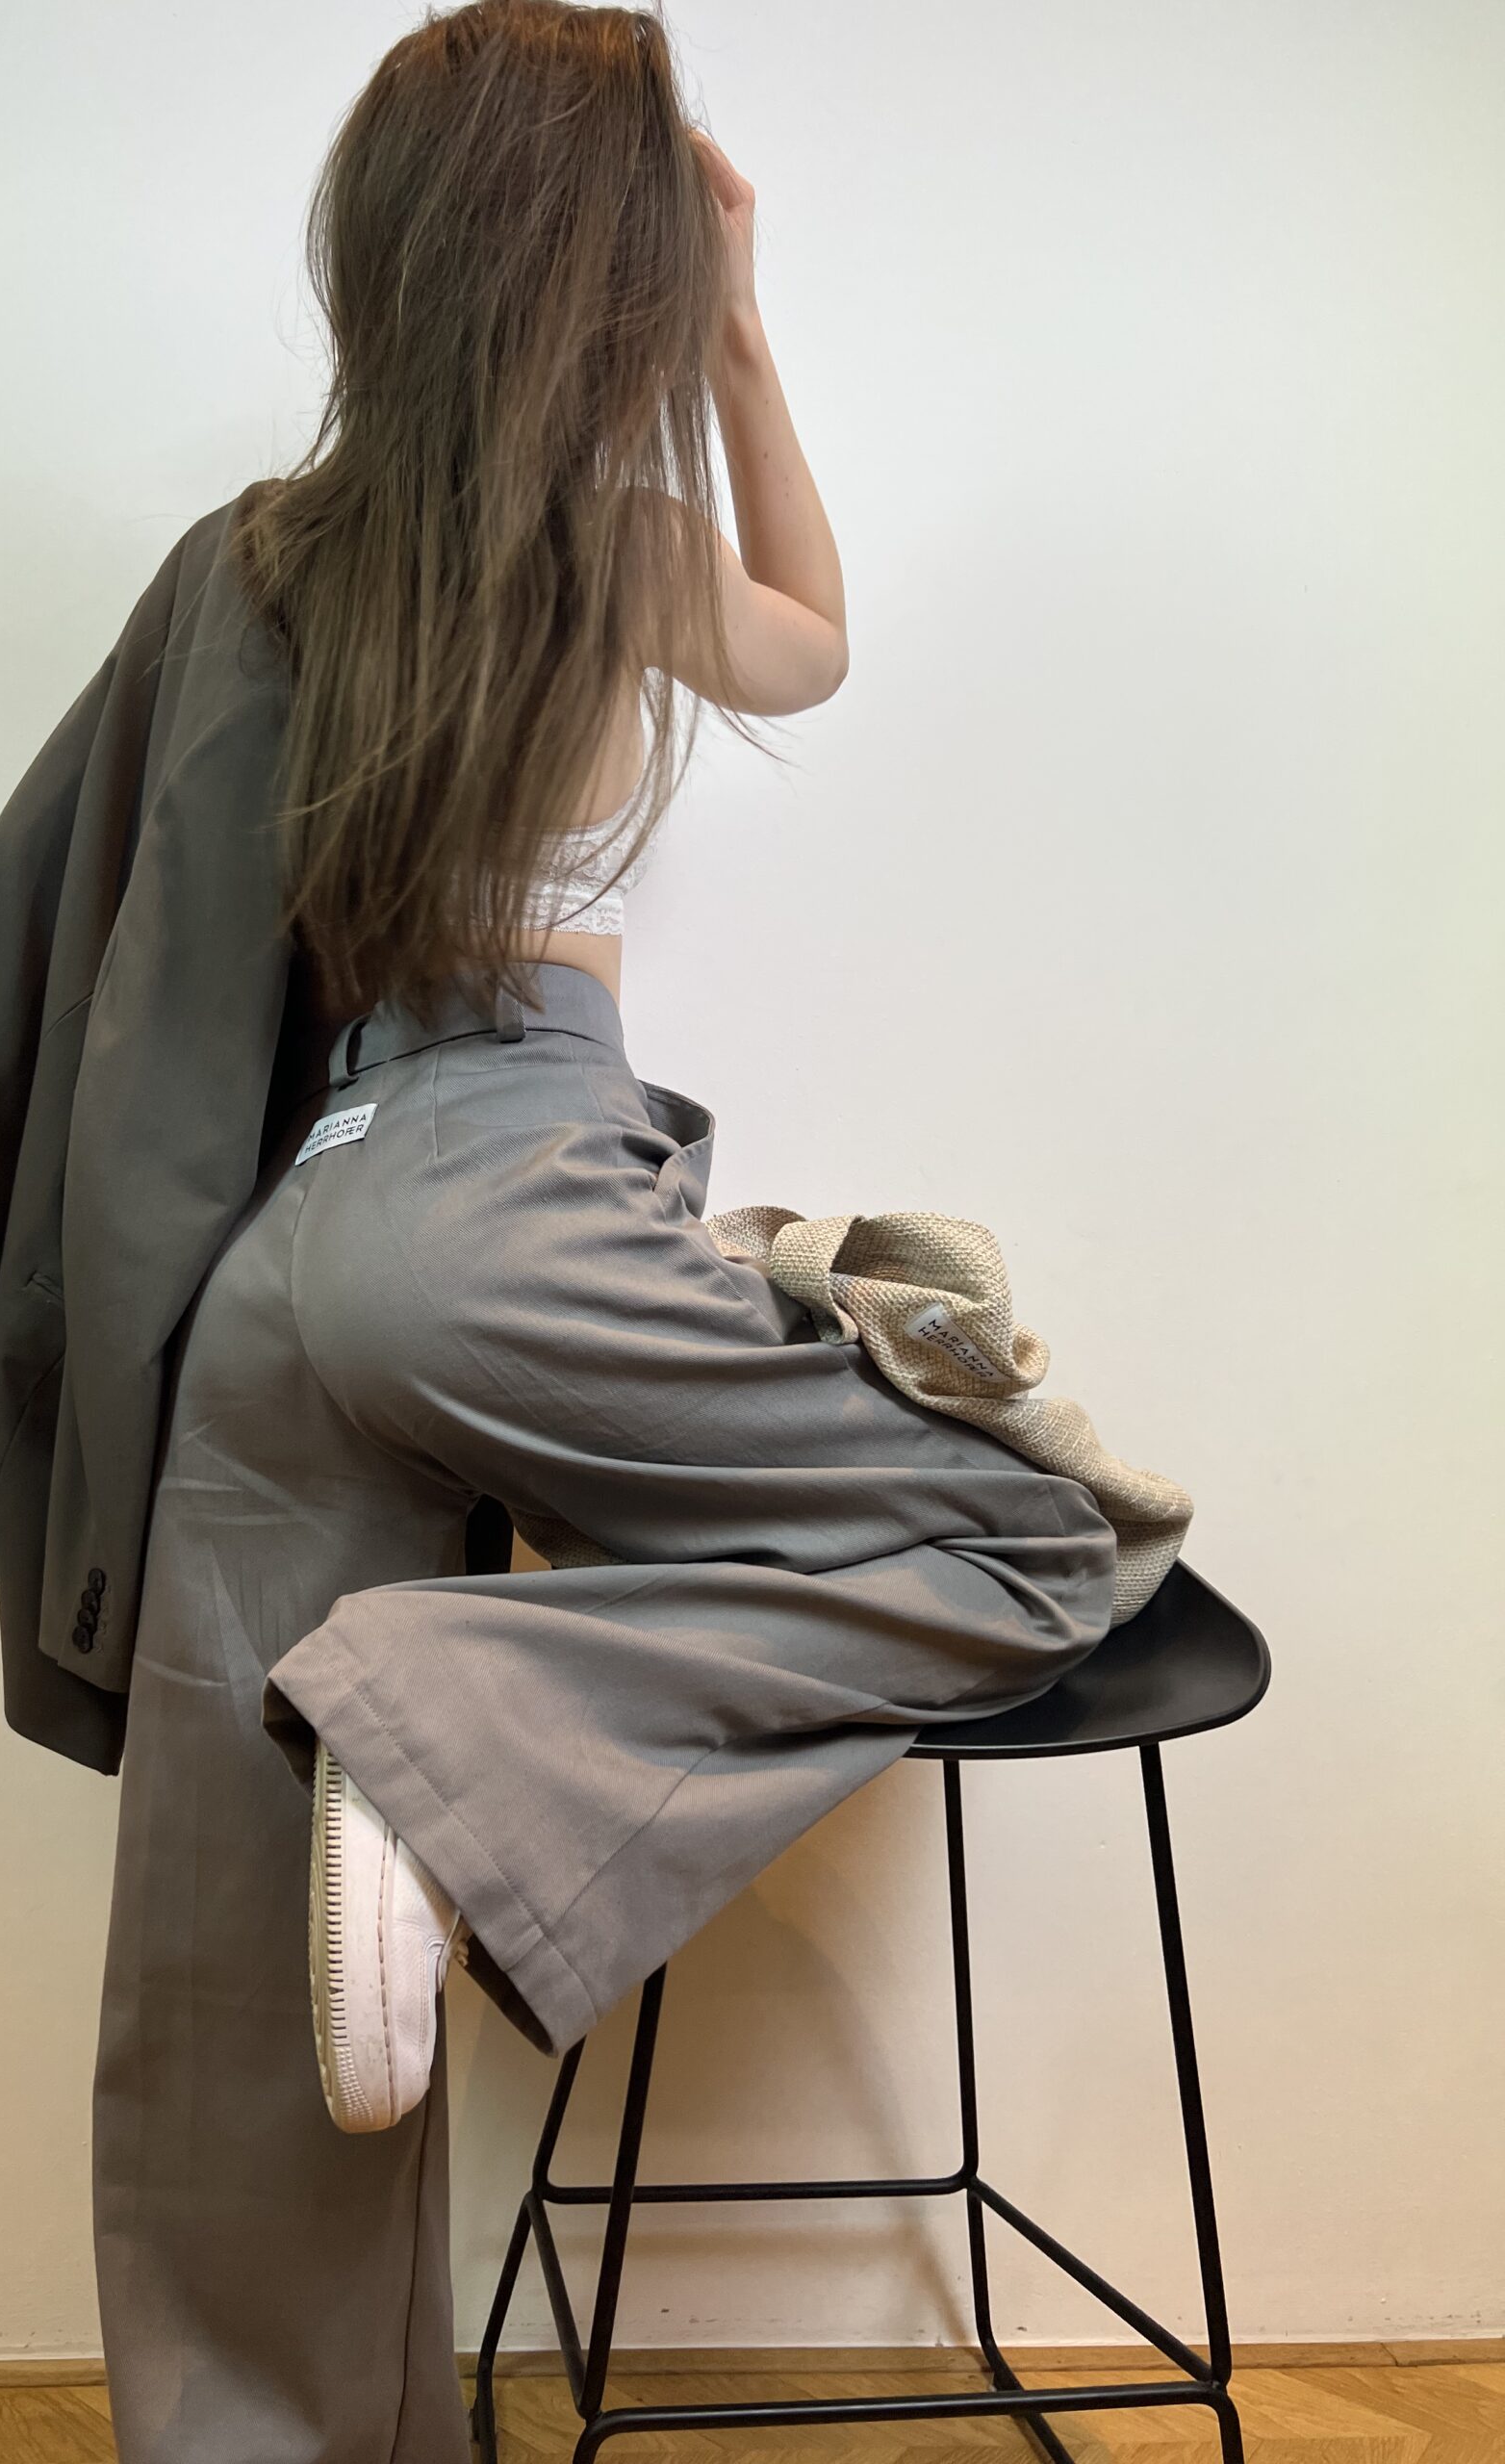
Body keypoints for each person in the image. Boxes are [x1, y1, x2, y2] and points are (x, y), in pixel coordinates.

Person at [84, 7, 1118, 2456]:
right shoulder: (622, 545)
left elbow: (145, 964)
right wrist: (742, 325)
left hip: (285, 1244)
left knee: (231, 1977)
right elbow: (812, 640)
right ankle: (447, 1726)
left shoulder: (262, 556)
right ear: (608, 270)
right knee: (1040, 1531)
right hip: (506, 1185)